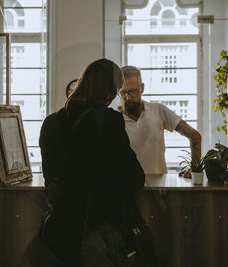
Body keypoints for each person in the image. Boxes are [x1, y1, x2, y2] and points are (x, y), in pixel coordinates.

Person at [39, 59, 152, 266]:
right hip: (99, 233)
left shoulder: (51, 123)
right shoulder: (109, 121)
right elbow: (134, 179)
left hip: (61, 234)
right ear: (111, 92)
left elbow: (51, 178)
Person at [118, 65, 202, 178]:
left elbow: (195, 136)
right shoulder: (113, 119)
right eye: (123, 93)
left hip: (159, 189)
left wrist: (195, 168)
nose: (128, 97)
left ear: (142, 88)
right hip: (126, 190)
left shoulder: (158, 111)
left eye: (133, 91)